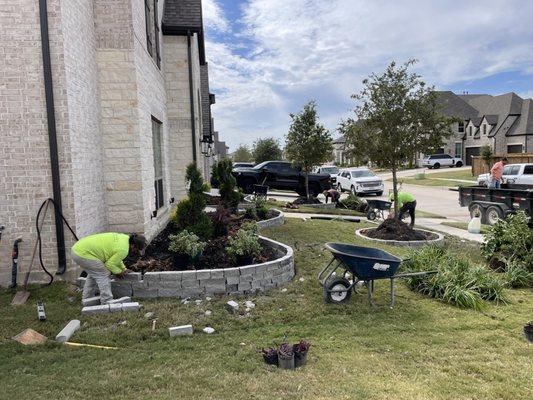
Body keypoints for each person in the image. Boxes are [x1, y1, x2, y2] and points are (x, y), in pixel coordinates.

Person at [71, 233, 147, 304]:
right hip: (83, 253)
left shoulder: (125, 238)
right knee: (103, 274)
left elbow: (115, 257)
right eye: (136, 250)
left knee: (95, 274)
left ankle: (87, 298)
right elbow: (109, 264)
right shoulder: (123, 249)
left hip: (77, 250)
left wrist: (123, 269)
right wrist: (118, 272)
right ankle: (106, 300)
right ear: (133, 246)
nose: (135, 252)